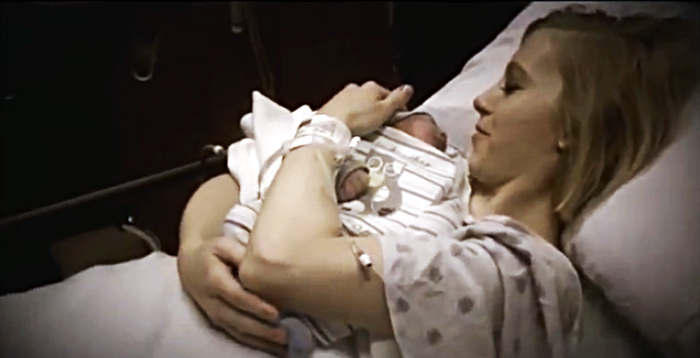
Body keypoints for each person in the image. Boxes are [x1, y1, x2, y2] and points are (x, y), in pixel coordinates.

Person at [178, 7, 699, 358]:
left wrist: (323, 129)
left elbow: (277, 263)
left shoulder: (510, 280)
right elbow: (240, 178)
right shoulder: (436, 165)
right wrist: (196, 250)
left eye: (513, 86)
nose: (481, 100)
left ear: (573, 125)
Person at [223, 109, 464, 358]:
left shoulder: (449, 173)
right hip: (312, 222)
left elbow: (438, 225)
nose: (442, 134)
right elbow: (326, 168)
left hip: (360, 241)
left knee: (342, 294)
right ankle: (235, 254)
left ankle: (299, 328)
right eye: (425, 124)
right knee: (252, 218)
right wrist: (347, 175)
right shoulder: (363, 144)